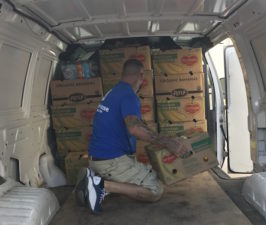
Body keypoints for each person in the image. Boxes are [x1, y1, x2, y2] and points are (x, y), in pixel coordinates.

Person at [74, 59, 193, 214]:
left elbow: (136, 124)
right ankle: (100, 185)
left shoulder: (114, 91)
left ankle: (94, 177)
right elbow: (135, 128)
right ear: (141, 75)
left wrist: (163, 139)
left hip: (99, 157)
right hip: (111, 161)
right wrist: (167, 142)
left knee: (152, 174)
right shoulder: (128, 95)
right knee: (155, 190)